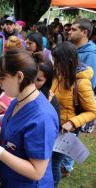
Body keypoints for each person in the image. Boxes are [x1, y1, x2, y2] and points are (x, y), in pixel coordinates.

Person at [0, 48, 59, 187]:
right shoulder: (18, 100)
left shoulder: (42, 118)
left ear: (19, 76)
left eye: (2, 78)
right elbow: (18, 136)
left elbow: (37, 172)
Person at [50, 42, 96, 187]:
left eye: (57, 61)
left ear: (68, 61)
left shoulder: (81, 83)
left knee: (53, 164)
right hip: (53, 126)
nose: (55, 65)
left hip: (66, 132)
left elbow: (93, 111)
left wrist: (72, 123)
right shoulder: (58, 74)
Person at [68, 18, 96, 91]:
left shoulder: (91, 54)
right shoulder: (72, 49)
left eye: (73, 30)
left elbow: (89, 85)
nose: (69, 32)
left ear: (84, 32)